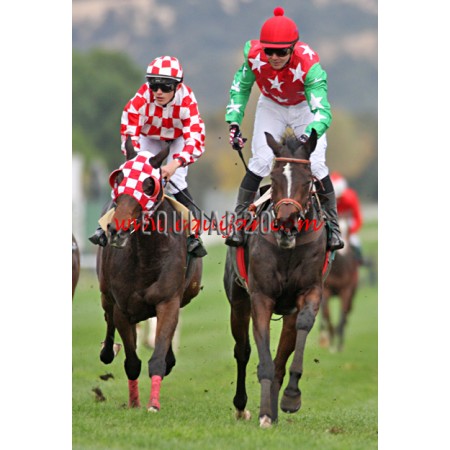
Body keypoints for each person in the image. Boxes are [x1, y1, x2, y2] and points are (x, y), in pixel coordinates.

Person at [224, 6, 344, 251]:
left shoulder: (309, 65)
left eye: (281, 52)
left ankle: (333, 227)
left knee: (316, 165)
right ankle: (239, 222)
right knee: (260, 161)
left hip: (304, 107)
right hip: (272, 105)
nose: (274, 57)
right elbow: (241, 88)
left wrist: (308, 135)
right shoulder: (254, 57)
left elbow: (322, 112)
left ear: (293, 48)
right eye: (269, 51)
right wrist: (234, 123)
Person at [89, 55, 207, 257]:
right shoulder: (141, 98)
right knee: (132, 177)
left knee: (177, 181)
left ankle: (194, 236)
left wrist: (174, 164)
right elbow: (129, 131)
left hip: (178, 139)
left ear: (177, 86)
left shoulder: (187, 101)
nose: (158, 92)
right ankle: (104, 226)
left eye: (166, 87)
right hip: (148, 137)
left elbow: (195, 139)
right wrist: (136, 163)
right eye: (154, 85)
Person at [330, 172, 364, 263]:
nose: (337, 201)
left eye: (339, 198)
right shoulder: (327, 199)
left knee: (355, 242)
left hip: (347, 225)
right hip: (333, 224)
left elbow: (358, 218)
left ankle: (359, 260)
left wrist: (350, 232)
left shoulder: (351, 197)